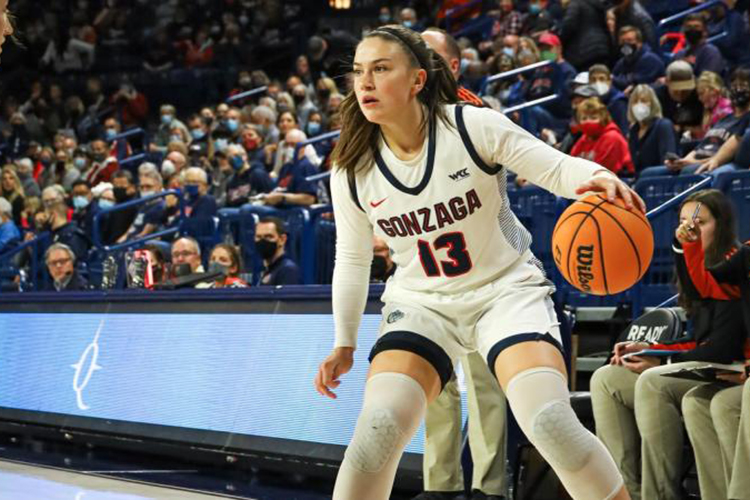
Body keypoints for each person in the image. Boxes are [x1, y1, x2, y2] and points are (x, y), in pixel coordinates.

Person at [313, 25, 643, 500]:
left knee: (550, 422)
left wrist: (599, 176)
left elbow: (553, 166)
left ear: (418, 80)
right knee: (376, 433)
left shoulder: (471, 126)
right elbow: (351, 257)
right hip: (423, 303)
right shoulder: (351, 168)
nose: (365, 82)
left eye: (380, 69)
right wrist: (344, 342)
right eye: (359, 71)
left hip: (505, 292)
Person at [590, 189, 746, 500]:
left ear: (721, 226)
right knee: (605, 379)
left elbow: (721, 348)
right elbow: (698, 339)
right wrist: (649, 349)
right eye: (683, 221)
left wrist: (662, 362)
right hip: (709, 366)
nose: (689, 228)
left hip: (727, 368)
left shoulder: (733, 266)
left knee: (654, 381)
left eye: (700, 221)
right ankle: (628, 493)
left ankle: (659, 495)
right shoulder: (695, 265)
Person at [415, 27, 508, 500]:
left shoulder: (474, 115)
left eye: (430, 56)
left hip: (480, 266)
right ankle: (441, 487)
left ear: (453, 67)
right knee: (434, 382)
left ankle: (489, 488)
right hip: (428, 269)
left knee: (484, 382)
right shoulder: (401, 115)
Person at [571, 97, 634, 177]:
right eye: (584, 118)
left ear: (603, 119)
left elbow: (603, 169)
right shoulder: (584, 138)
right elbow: (571, 162)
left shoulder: (612, 137)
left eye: (593, 118)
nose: (588, 122)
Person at [626, 84, 677, 175]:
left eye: (644, 101)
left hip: (658, 179)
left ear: (653, 104)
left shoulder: (663, 125)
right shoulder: (634, 130)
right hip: (640, 179)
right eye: (635, 102)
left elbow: (667, 165)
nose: (639, 105)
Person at [611, 26, 665, 95]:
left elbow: (635, 82)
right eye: (623, 41)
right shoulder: (623, 61)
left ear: (639, 43)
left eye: (629, 40)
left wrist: (613, 79)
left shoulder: (650, 59)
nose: (625, 44)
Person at [255, 217, 300, 286]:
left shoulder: (287, 270)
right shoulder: (267, 270)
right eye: (258, 237)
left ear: (282, 239)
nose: (262, 241)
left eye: (269, 237)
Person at [588, 64, 629, 133]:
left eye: (602, 79)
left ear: (609, 81)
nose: (597, 83)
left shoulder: (618, 102)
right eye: (593, 80)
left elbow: (624, 131)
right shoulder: (592, 101)